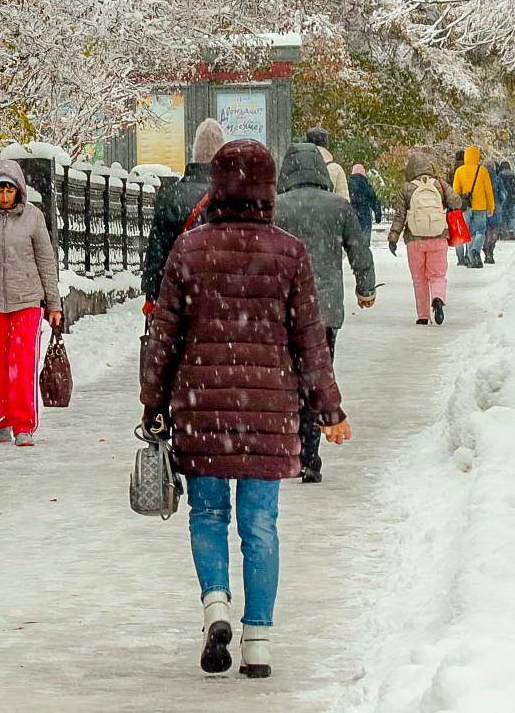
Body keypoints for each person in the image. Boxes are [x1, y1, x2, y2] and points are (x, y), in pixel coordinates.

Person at [140, 140, 351, 679]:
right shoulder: (289, 253)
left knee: (208, 514)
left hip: (202, 407)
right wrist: (329, 409)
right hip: (268, 411)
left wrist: (153, 401)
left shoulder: (189, 250)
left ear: (217, 188)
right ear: (267, 191)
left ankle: (216, 603)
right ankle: (258, 641)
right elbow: (310, 341)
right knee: (260, 525)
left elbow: (164, 336)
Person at [272, 144, 375, 484]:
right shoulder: (338, 207)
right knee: (318, 376)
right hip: (324, 310)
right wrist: (366, 288)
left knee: (287, 378)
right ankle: (310, 456)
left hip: (285, 308)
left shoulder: (275, 208)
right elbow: (359, 250)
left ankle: (292, 449)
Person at [0, 158, 61, 446]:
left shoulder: (33, 217)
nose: (5, 196)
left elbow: (46, 260)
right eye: (0, 190)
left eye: (10, 190)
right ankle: (2, 422)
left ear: (19, 190)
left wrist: (54, 303)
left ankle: (23, 425)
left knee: (22, 363)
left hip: (26, 299)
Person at [141, 119, 227, 308]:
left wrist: (152, 295)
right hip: (221, 302)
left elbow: (157, 253)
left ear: (195, 153)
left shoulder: (172, 197)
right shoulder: (231, 196)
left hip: (180, 300)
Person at [388, 152, 463, 325]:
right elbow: (456, 203)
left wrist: (393, 237)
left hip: (415, 240)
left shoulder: (406, 189)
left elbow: (400, 216)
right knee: (438, 275)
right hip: (438, 236)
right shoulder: (440, 184)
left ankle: (423, 315)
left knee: (419, 279)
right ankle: (438, 298)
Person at [452, 147, 496, 268]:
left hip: (466, 207)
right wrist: (491, 206)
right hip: (480, 206)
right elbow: (488, 191)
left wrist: (456, 206)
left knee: (469, 233)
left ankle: (472, 260)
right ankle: (476, 249)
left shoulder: (459, 171)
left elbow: (456, 191)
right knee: (480, 231)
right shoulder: (483, 171)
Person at [302, 127, 352, 198]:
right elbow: (344, 200)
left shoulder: (299, 166)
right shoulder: (336, 169)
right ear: (326, 144)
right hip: (328, 204)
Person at [347, 164, 383, 236]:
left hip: (351, 213)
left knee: (351, 236)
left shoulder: (347, 184)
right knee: (364, 236)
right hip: (364, 214)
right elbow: (374, 200)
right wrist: (378, 215)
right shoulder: (366, 185)